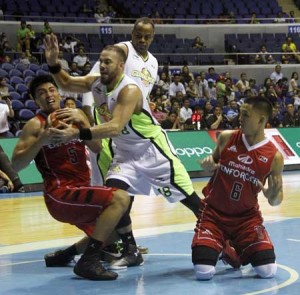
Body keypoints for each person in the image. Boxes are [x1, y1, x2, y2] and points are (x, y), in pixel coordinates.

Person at [43, 32, 203, 269]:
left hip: (152, 150)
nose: (103, 65)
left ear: (121, 65)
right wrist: (54, 62)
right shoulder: (96, 83)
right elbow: (66, 83)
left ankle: (221, 235)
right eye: (101, 61)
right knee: (115, 197)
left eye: (108, 62)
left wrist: (77, 133)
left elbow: (115, 127)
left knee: (190, 200)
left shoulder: (129, 90)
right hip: (125, 153)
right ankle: (129, 250)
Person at [12, 74, 132, 281]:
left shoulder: (73, 116)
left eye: (51, 90)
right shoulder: (35, 124)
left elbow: (96, 148)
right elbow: (16, 164)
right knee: (121, 198)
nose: (48, 95)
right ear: (35, 100)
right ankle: (88, 261)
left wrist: (84, 123)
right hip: (59, 194)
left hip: (81, 188)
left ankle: (65, 255)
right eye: (41, 93)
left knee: (111, 233)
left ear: (58, 93)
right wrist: (40, 140)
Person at [192, 96, 284, 280]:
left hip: (246, 219)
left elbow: (276, 200)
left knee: (267, 271)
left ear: (262, 119)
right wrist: (208, 165)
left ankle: (235, 248)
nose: (239, 118)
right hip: (214, 214)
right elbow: (213, 162)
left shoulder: (274, 156)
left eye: (245, 115)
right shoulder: (227, 138)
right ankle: (224, 247)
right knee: (204, 272)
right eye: (240, 113)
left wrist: (272, 196)